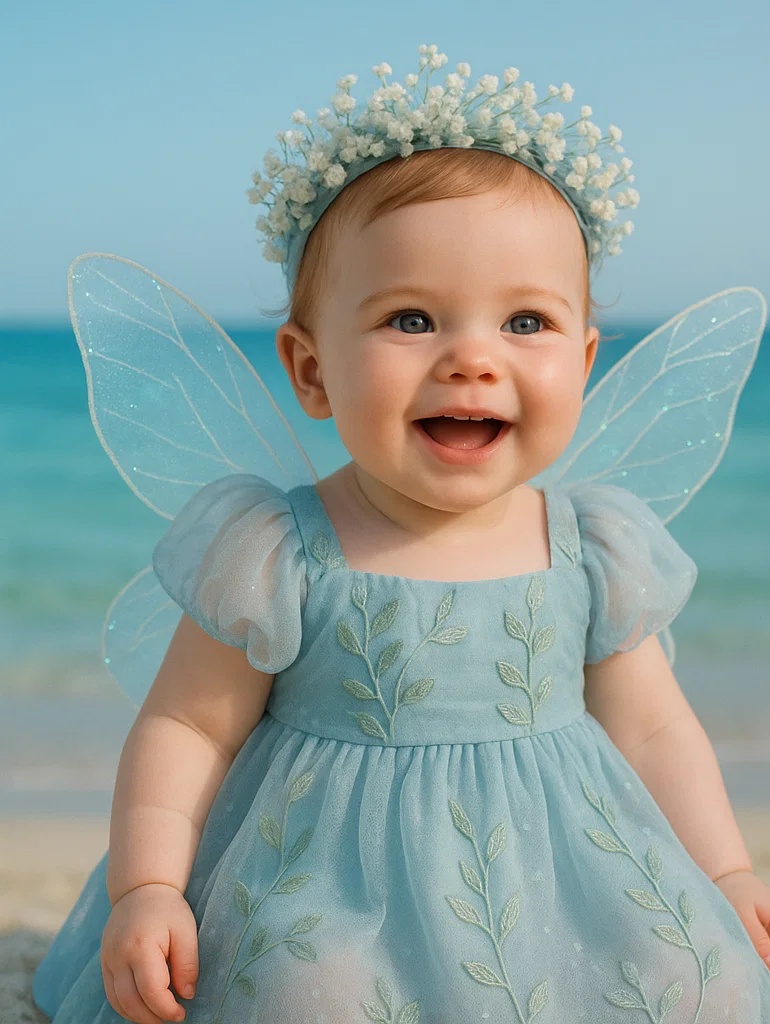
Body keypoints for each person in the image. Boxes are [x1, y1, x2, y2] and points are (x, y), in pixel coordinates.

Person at [33, 44, 770, 1023]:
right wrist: (149, 890)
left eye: (525, 322)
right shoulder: (277, 547)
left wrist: (722, 869)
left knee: (688, 972)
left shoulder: (590, 543)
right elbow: (187, 725)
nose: (471, 358)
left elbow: (651, 725)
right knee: (303, 986)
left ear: (584, 362)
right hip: (325, 871)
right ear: (310, 371)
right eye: (411, 318)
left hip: (557, 864)